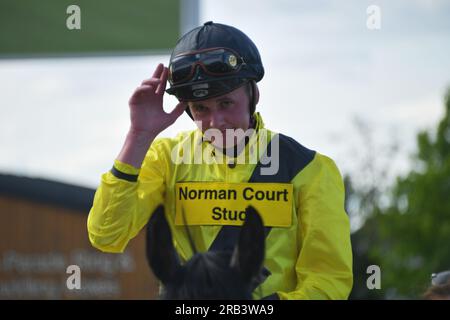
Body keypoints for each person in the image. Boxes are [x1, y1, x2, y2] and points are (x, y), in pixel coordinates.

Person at [87, 21, 353, 299]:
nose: (216, 122)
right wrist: (138, 136)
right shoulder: (166, 159)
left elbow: (328, 283)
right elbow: (106, 235)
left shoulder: (310, 169)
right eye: (201, 109)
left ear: (254, 95)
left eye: (226, 103)